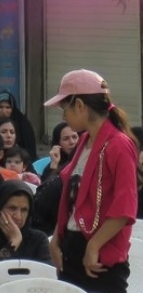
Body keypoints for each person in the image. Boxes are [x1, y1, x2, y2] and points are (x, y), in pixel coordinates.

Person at [45, 69, 138, 293]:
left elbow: (125, 207)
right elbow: (73, 198)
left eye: (64, 108)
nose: (63, 117)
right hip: (72, 250)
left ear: (79, 105)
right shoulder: (85, 140)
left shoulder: (119, 145)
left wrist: (94, 246)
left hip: (100, 258)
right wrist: (57, 237)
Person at [0, 180, 50, 268]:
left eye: (24, 210)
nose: (18, 216)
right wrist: (13, 244)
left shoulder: (38, 240)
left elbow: (48, 273)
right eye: (12, 208)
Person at [0, 90, 38, 160]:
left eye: (8, 107)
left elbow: (30, 152)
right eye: (0, 107)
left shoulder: (24, 125)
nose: (4, 111)